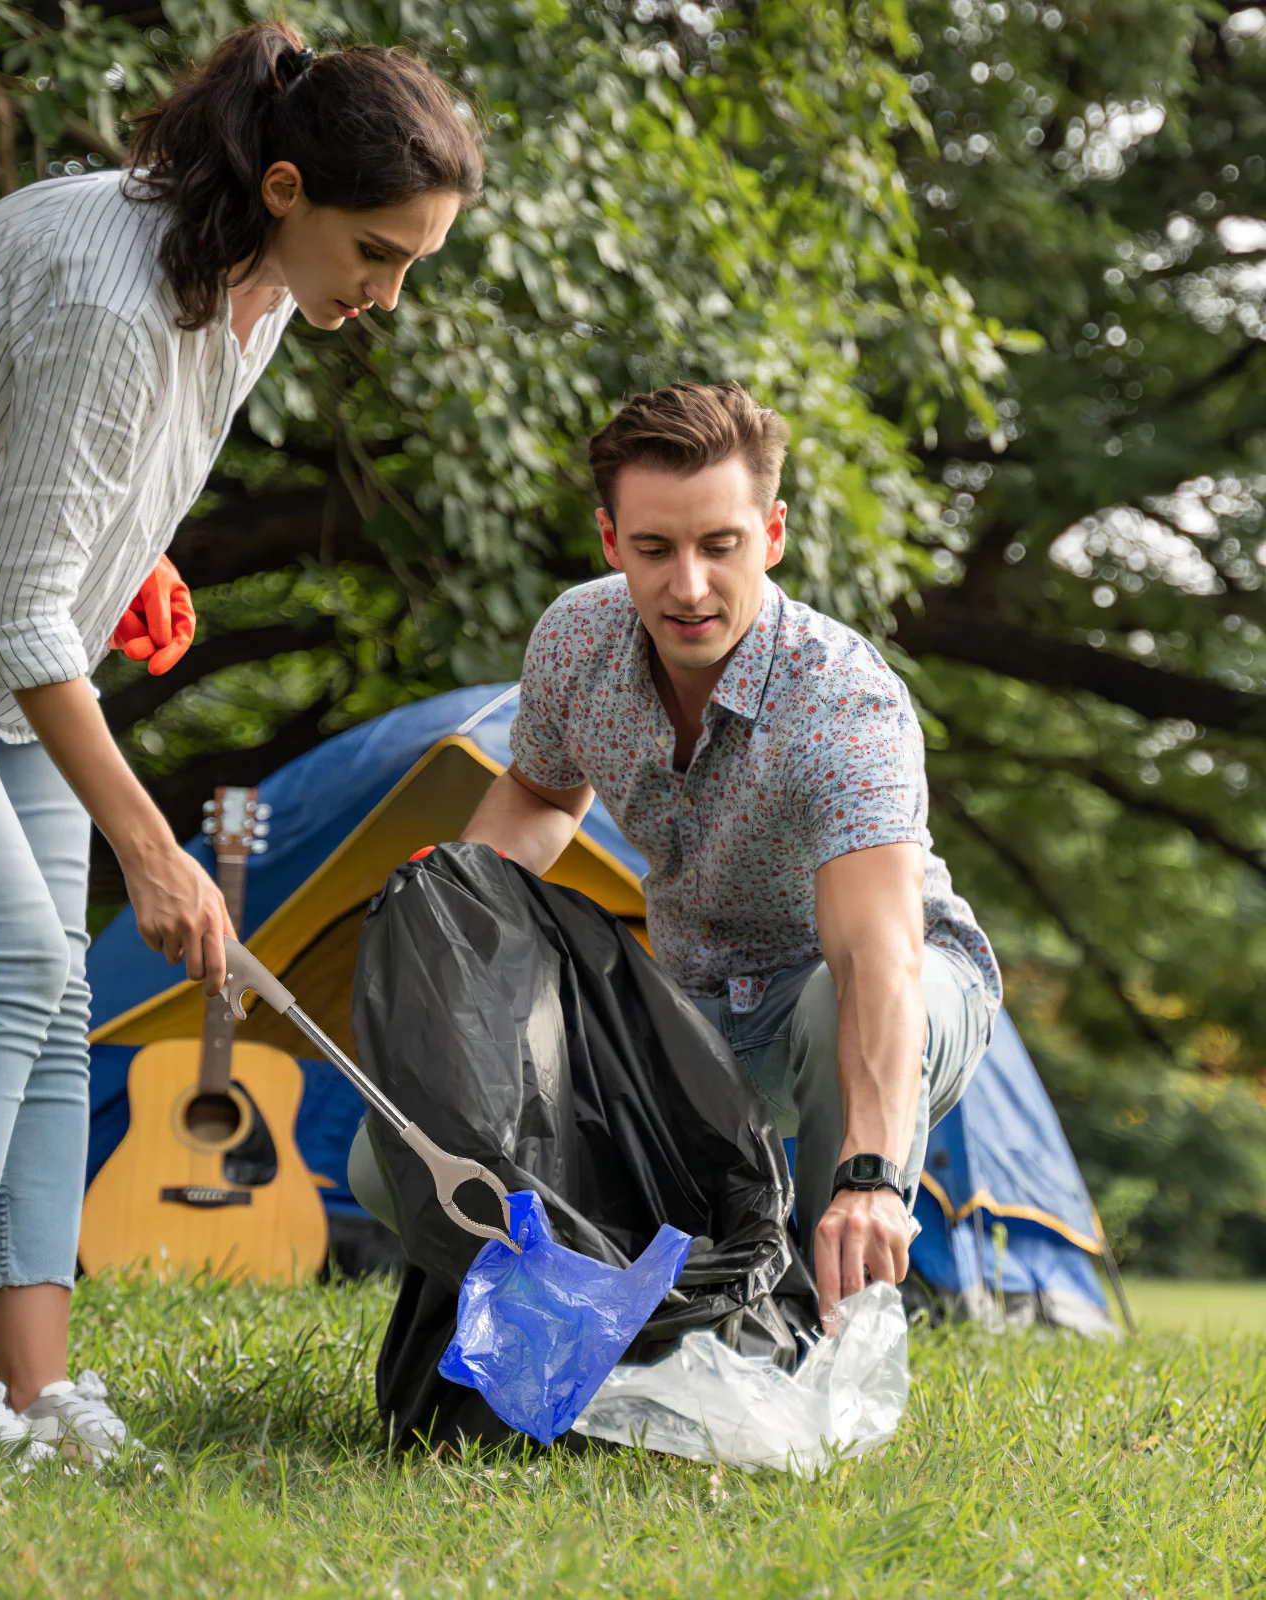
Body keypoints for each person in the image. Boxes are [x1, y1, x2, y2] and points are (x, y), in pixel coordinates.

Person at [0, 20, 482, 1461]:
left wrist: (130, 559)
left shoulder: (258, 295)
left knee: (61, 994)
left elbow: (68, 485)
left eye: (410, 264)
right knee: (8, 958)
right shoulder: (110, 287)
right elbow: (17, 604)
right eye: (378, 252)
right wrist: (157, 849)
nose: (386, 293)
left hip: (7, 633)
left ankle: (30, 1389)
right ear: (284, 188)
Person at [426, 382, 1000, 1320]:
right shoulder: (576, 640)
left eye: (719, 546)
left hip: (882, 990)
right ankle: (594, 1330)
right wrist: (448, 915)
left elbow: (876, 959)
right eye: (654, 549)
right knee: (394, 1152)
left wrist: (868, 1176)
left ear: (771, 535)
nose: (688, 586)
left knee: (825, 1000)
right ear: (612, 542)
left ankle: (828, 1322)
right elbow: (538, 794)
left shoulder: (842, 702)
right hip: (688, 1007)